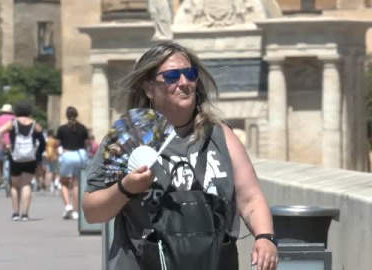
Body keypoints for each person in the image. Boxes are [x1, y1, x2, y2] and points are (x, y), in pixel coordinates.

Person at [83, 42, 278, 270]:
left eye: (190, 74)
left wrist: (265, 237)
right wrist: (126, 188)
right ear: (148, 88)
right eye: (172, 76)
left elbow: (250, 197)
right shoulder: (127, 138)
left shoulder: (220, 135)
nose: (184, 83)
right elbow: (92, 212)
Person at [0, 101, 45, 221]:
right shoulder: (34, 124)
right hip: (30, 157)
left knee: (15, 186)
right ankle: (25, 214)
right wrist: (38, 154)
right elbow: (42, 141)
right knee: (26, 185)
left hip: (15, 156)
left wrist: (5, 144)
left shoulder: (13, 123)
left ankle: (16, 213)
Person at [56, 107, 89, 220]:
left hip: (68, 155)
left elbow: (57, 144)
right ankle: (76, 211)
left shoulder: (62, 129)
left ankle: (68, 205)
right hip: (80, 155)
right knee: (76, 183)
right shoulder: (83, 128)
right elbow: (87, 143)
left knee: (64, 183)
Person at [0, 104, 15, 190]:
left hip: (1, 144)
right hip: (13, 144)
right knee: (13, 162)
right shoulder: (14, 118)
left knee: (1, 161)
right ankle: (11, 177)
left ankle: (2, 177)